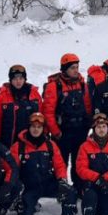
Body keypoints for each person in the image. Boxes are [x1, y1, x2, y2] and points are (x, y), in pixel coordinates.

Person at [10, 113, 77, 215]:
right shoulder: (18, 147)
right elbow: (12, 169)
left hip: (48, 183)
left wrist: (62, 180)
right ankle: (31, 204)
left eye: (39, 127)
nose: (36, 129)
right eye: (33, 126)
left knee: (69, 192)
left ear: (43, 129)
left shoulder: (50, 145)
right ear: (28, 127)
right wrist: (16, 187)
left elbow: (59, 165)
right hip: (29, 187)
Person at [41, 53, 93, 186]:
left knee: (79, 161)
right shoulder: (54, 86)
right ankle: (61, 187)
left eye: (77, 67)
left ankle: (79, 186)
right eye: (72, 68)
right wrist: (56, 132)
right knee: (61, 162)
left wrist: (88, 124)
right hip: (62, 132)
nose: (76, 70)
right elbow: (48, 112)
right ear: (64, 69)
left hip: (80, 131)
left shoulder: (82, 84)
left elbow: (87, 105)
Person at [0, 65, 42, 148]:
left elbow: (42, 117)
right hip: (8, 143)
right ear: (10, 80)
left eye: (21, 78)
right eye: (15, 79)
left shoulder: (34, 95)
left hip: (30, 143)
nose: (18, 81)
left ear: (25, 79)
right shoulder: (0, 98)